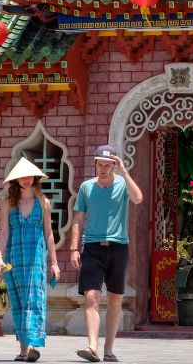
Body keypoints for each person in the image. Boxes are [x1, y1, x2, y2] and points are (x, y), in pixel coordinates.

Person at [69, 144, 143, 363]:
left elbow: (138, 198)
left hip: (118, 246)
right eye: (99, 164)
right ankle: (92, 346)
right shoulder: (86, 187)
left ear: (113, 165)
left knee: (115, 299)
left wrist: (124, 172)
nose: (102, 168)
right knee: (90, 296)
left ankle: (108, 350)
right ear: (96, 164)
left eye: (107, 165)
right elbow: (78, 218)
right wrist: (74, 247)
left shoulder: (122, 184)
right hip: (91, 247)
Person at [0, 158, 59, 363]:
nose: (26, 180)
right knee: (19, 301)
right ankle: (23, 349)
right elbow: (4, 232)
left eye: (29, 176)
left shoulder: (44, 202)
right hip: (15, 257)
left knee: (34, 299)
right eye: (21, 177)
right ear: (15, 180)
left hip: (36, 258)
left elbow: (49, 234)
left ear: (35, 178)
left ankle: (31, 345)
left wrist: (55, 263)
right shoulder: (7, 203)